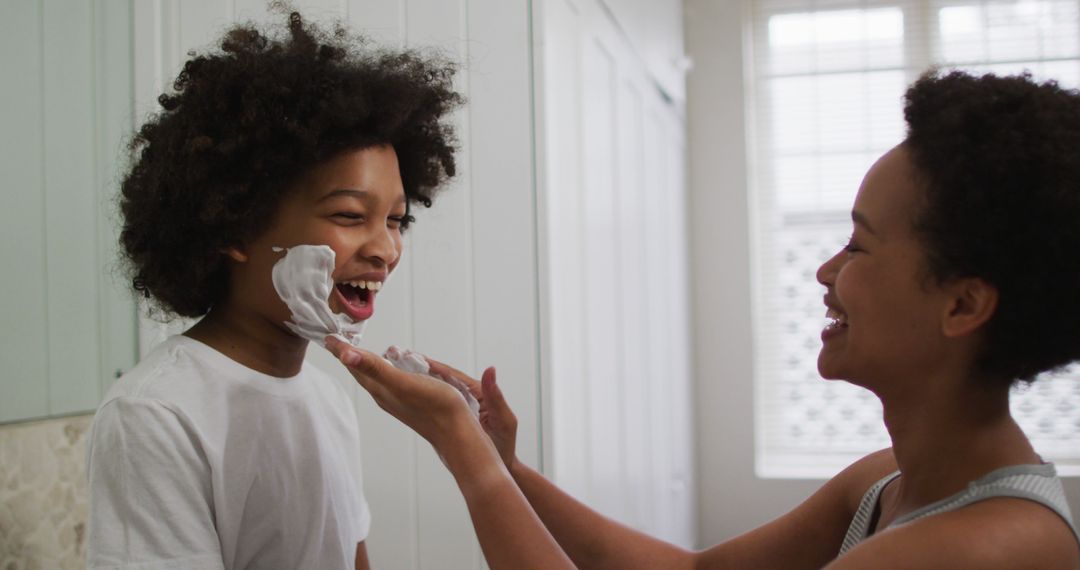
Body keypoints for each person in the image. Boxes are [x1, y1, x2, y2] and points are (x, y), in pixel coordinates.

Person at [326, 70, 1080, 569]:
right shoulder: (887, 483)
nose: (825, 271)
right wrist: (511, 468)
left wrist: (466, 452)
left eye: (859, 244)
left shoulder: (990, 546)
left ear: (962, 305)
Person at [85, 10, 461, 569]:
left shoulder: (328, 400)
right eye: (351, 215)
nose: (386, 249)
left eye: (397, 220)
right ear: (237, 226)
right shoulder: (156, 414)